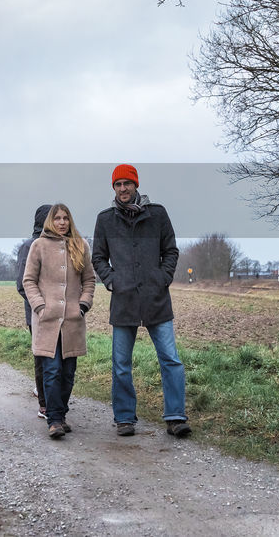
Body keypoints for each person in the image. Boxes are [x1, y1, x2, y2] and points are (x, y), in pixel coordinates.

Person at [92, 164, 191, 438]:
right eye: (118, 184)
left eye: (127, 183)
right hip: (123, 301)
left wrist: (163, 278)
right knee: (121, 363)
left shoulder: (157, 214)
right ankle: (124, 418)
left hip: (156, 299)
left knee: (170, 359)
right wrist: (112, 281)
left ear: (136, 185)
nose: (123, 189)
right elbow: (98, 258)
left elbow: (170, 250)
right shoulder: (105, 220)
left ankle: (175, 417)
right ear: (113, 188)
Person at [22, 203, 95, 438]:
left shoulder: (80, 245)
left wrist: (83, 305)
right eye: (57, 218)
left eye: (65, 218)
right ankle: (54, 419)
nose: (62, 222)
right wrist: (40, 307)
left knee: (68, 373)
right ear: (50, 222)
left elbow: (90, 280)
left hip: (73, 321)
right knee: (51, 370)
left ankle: (61, 415)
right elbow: (28, 281)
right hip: (48, 321)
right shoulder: (38, 246)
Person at [16, 204, 52, 419]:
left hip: (60, 313)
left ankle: (53, 397)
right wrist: (40, 306)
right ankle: (44, 403)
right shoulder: (29, 246)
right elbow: (22, 284)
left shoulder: (62, 244)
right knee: (42, 357)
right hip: (36, 314)